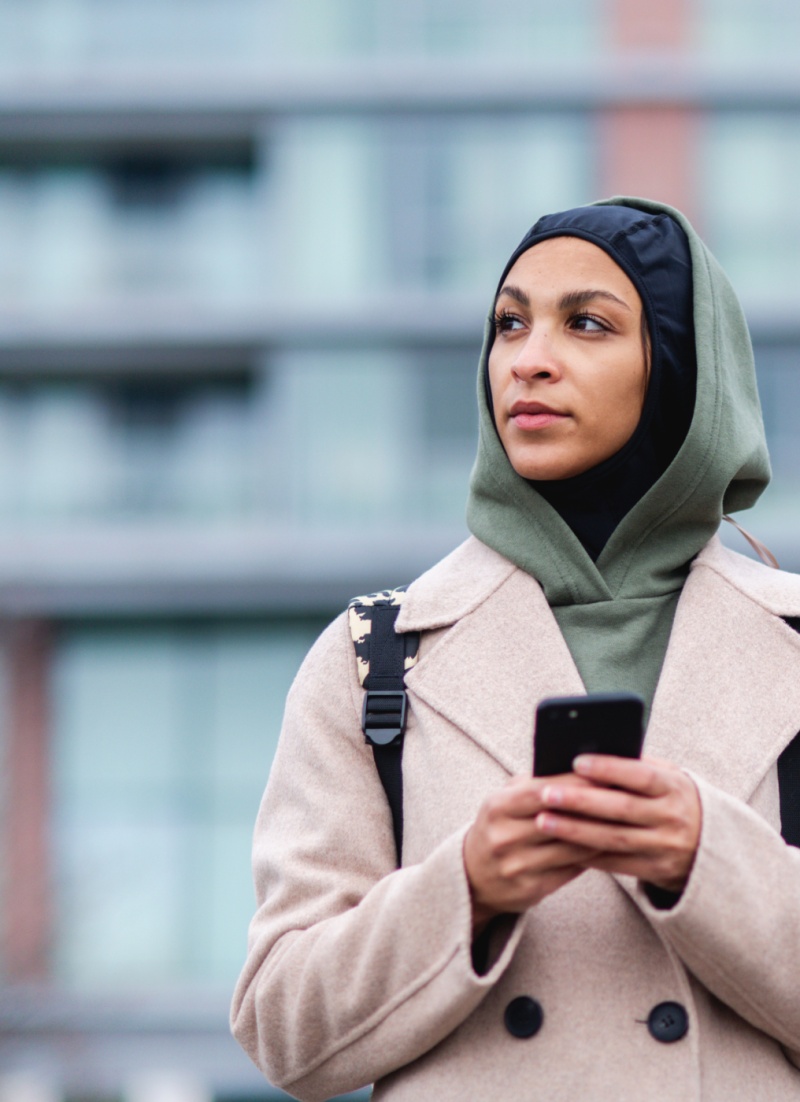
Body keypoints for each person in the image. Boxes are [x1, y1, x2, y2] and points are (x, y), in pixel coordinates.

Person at [230, 197, 800, 1101]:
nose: (528, 359)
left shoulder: (793, 647)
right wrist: (466, 889)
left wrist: (707, 858)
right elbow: (284, 1030)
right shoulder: (376, 657)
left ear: (684, 366)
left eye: (586, 323)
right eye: (509, 323)